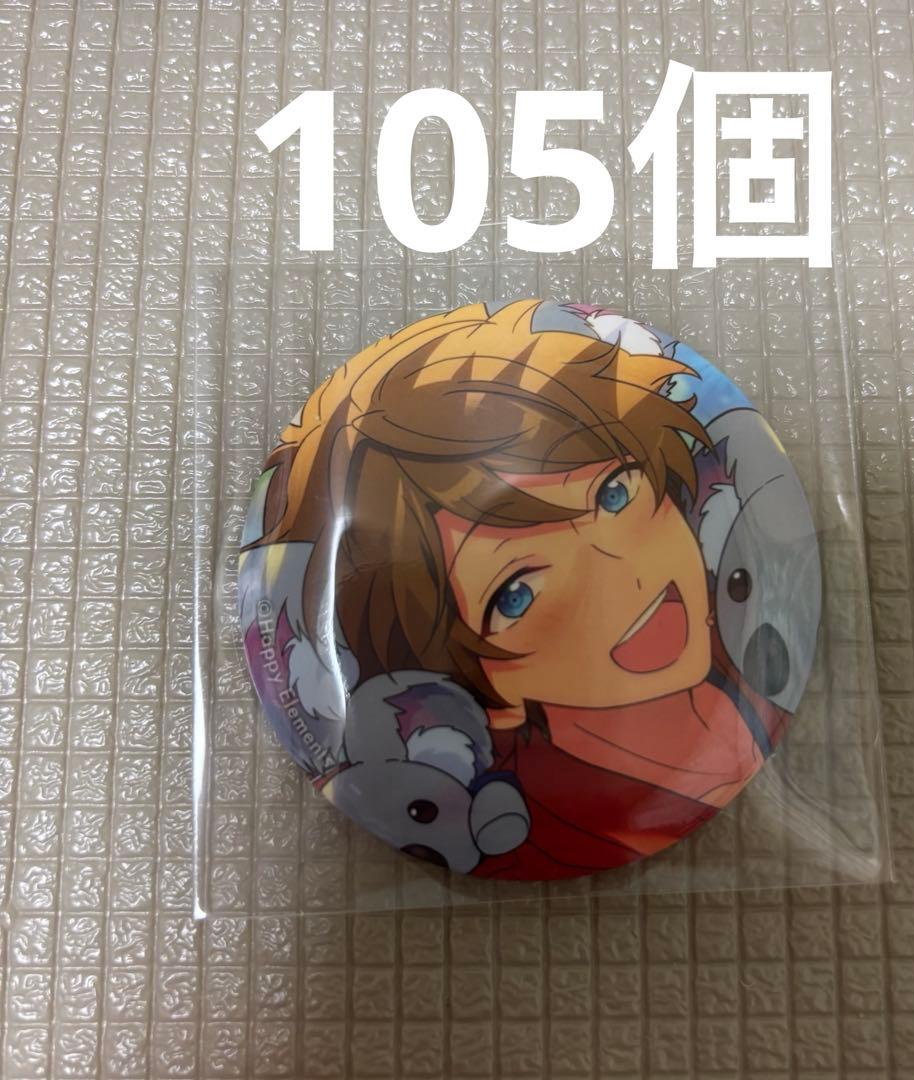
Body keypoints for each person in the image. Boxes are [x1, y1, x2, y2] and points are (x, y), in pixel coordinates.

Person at [242, 299, 787, 878]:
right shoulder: (524, 828)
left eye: (614, 494)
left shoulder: (752, 646)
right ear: (473, 694)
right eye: (516, 594)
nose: (620, 575)